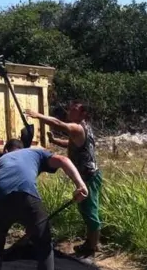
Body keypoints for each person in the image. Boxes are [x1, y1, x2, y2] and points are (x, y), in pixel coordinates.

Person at [0, 138, 88, 270]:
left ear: (5, 151)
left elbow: (7, 188)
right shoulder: (34, 152)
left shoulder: (0, 161)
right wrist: (80, 185)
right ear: (23, 148)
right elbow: (64, 160)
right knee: (44, 245)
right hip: (25, 195)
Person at [26, 101, 102, 257]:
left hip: (89, 176)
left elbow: (59, 123)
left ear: (83, 114)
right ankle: (91, 243)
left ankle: (93, 247)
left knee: (90, 211)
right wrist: (55, 141)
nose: (69, 111)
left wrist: (38, 115)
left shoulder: (78, 127)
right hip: (87, 175)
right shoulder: (82, 128)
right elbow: (72, 142)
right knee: (85, 209)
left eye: (74, 109)